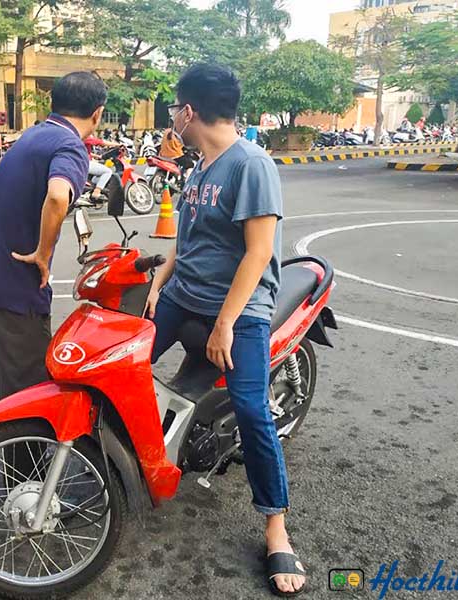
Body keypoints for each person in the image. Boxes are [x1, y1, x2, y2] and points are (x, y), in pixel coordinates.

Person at [147, 63, 306, 597]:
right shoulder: (200, 166)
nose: (172, 117)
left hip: (240, 311)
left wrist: (225, 324)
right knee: (122, 359)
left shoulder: (251, 164)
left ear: (189, 112)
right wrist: (161, 279)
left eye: (174, 108)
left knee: (254, 411)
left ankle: (276, 526)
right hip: (181, 296)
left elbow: (259, 251)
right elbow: (188, 239)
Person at [0, 72, 106, 405]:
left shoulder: (33, 135)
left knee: (3, 385)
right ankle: (25, 457)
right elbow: (58, 197)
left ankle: (7, 448)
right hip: (15, 285)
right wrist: (44, 252)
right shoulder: (70, 145)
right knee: (30, 394)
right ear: (97, 113)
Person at [83, 132, 119, 202]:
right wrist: (117, 144)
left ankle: (93, 187)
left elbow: (87, 153)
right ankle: (97, 191)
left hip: (79, 162)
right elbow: (100, 142)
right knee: (107, 171)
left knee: (98, 172)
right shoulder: (84, 136)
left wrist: (98, 156)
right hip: (84, 163)